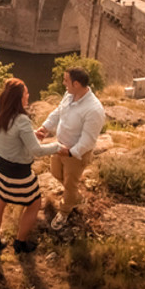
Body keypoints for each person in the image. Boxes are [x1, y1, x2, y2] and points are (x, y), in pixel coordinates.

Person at [0, 77, 70, 256]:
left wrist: (31, 135)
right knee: (34, 203)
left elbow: (9, 136)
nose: (28, 95)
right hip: (16, 173)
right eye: (26, 93)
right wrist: (58, 147)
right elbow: (36, 151)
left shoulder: (0, 112)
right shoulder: (21, 120)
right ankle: (20, 243)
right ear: (19, 98)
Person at [35, 67, 107, 230]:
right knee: (55, 172)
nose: (63, 83)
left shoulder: (94, 109)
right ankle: (76, 197)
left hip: (75, 153)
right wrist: (45, 128)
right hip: (60, 146)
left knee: (69, 184)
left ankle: (65, 211)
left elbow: (89, 139)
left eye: (66, 80)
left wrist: (70, 152)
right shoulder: (70, 95)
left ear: (76, 83)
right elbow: (58, 113)